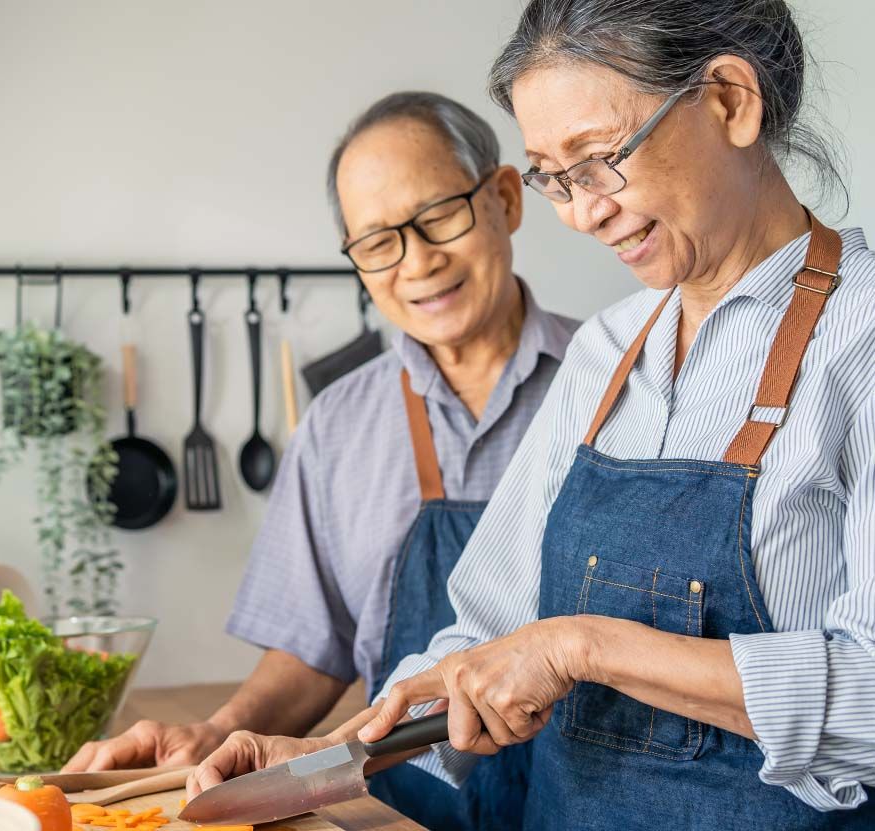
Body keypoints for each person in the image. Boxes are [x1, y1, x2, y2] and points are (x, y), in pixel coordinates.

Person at [187, 2, 875, 828]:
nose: (583, 213)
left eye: (598, 160)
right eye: (556, 176)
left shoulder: (859, 337)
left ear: (730, 99)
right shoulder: (607, 353)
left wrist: (582, 646)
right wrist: (332, 756)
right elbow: (487, 634)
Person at [65, 91, 578, 830]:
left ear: (503, 198)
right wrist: (215, 734)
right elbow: (314, 650)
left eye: (438, 216)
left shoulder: (624, 385)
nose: (419, 261)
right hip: (395, 815)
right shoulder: (338, 424)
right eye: (378, 243)